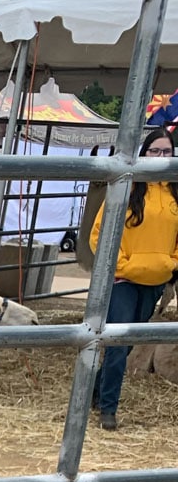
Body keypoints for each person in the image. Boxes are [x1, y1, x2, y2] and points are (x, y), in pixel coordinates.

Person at [90, 128, 178, 431]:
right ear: (144, 153)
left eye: (167, 152)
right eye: (155, 151)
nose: (161, 157)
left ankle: (96, 391)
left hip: (155, 279)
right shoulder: (126, 188)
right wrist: (120, 265)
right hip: (123, 280)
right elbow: (100, 233)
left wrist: (172, 262)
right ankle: (108, 409)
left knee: (125, 346)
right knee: (118, 342)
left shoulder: (174, 193)